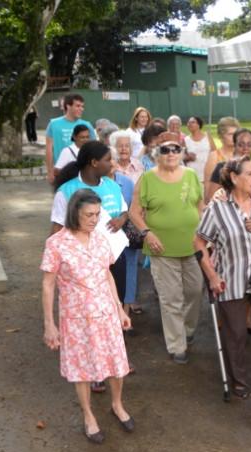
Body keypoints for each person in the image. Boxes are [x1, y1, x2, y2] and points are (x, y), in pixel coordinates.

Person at [41, 189, 134, 444]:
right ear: (74, 214)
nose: (95, 220)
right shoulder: (57, 244)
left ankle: (117, 405)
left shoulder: (100, 239)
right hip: (76, 317)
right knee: (81, 369)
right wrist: (50, 324)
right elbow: (48, 284)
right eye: (89, 215)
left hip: (105, 313)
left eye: (97, 214)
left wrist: (118, 309)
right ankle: (88, 415)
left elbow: (107, 274)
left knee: (116, 362)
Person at [195, 157, 251, 399]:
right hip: (230, 277)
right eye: (250, 174)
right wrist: (212, 276)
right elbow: (199, 242)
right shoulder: (217, 208)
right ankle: (238, 381)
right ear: (234, 178)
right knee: (235, 333)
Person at [51, 141, 129, 392]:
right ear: (94, 163)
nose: (112, 163)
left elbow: (125, 211)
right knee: (87, 319)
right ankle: (93, 369)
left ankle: (114, 359)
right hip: (80, 266)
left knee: (113, 308)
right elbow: (56, 229)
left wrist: (121, 220)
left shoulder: (112, 186)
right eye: (108, 159)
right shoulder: (67, 190)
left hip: (113, 257)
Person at [129, 132, 204, 365]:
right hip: (161, 249)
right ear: (156, 154)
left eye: (175, 149)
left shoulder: (191, 175)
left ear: (182, 151)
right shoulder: (147, 179)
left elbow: (200, 206)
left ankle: (187, 329)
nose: (170, 153)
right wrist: (147, 233)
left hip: (192, 247)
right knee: (171, 298)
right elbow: (134, 212)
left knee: (195, 291)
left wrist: (203, 234)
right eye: (164, 149)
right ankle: (177, 344)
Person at [109, 130, 143, 316]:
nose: (124, 149)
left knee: (130, 265)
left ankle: (127, 307)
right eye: (120, 145)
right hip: (107, 231)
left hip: (129, 229)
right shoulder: (104, 177)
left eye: (127, 145)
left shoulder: (136, 169)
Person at [207, 128, 251, 204]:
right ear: (234, 145)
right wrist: (217, 196)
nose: (245, 148)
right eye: (241, 145)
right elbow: (208, 199)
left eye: (249, 145)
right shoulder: (221, 168)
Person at [45, 94, 96, 184]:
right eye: (78, 106)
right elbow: (49, 149)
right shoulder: (53, 124)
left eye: (82, 106)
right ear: (68, 106)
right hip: (61, 172)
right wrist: (50, 172)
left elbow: (94, 149)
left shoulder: (87, 125)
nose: (81, 109)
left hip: (83, 173)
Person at [204, 117, 239, 202]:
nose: (234, 137)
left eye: (236, 134)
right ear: (221, 136)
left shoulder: (243, 155)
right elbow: (208, 189)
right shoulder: (215, 156)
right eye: (230, 134)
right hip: (221, 203)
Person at [184, 116, 216, 186]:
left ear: (199, 125)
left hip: (207, 173)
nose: (190, 124)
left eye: (193, 122)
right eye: (188, 123)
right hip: (192, 174)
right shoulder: (185, 139)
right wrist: (188, 157)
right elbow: (182, 157)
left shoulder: (207, 136)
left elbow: (215, 152)